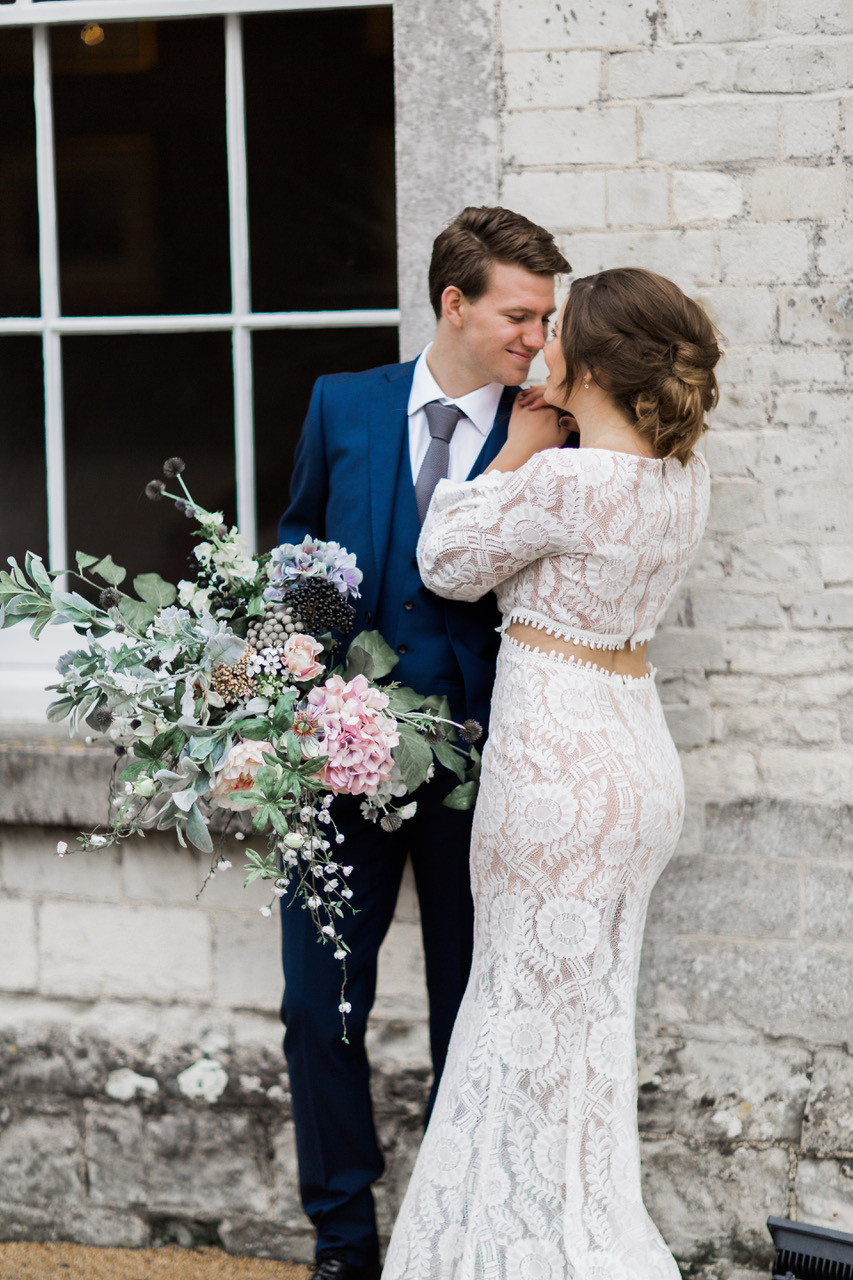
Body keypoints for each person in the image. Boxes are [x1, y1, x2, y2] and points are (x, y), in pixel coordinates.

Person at [383, 267, 721, 1280]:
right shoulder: (680, 476)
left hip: (557, 768)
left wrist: (522, 447)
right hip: (635, 759)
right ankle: (577, 1233)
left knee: (517, 1018)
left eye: (557, 329)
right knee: (588, 1028)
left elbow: (445, 558)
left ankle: (515, 1252)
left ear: (596, 363)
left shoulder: (566, 480)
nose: (539, 343)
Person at [276, 206, 570, 1280]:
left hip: (481, 777)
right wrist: (280, 686)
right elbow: (297, 546)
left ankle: (451, 1245)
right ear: (453, 303)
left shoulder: (552, 427)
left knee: (471, 1014)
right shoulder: (342, 403)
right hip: (337, 768)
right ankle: (343, 1246)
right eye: (518, 314)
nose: (535, 338)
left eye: (544, 317)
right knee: (319, 1008)